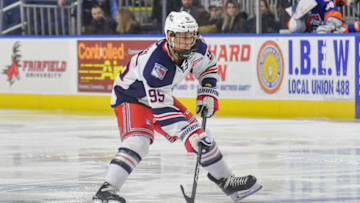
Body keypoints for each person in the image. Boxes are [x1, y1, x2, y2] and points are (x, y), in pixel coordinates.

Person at [92, 11, 262, 203]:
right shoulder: (156, 64)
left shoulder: (198, 47)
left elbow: (208, 67)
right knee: (139, 140)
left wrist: (207, 91)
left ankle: (226, 180)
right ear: (169, 36)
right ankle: (105, 192)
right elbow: (162, 110)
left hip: (159, 96)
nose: (186, 42)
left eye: (190, 36)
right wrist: (188, 134)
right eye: (181, 38)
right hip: (131, 97)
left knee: (202, 136)